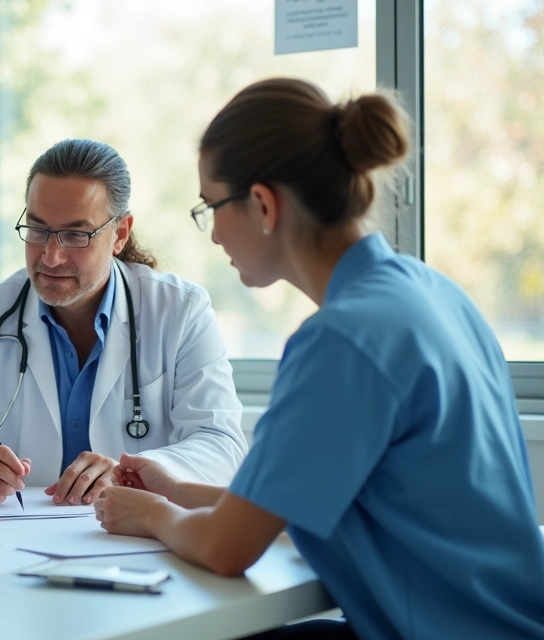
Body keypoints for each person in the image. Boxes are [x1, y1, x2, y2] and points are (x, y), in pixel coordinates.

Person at [94, 78, 544, 639]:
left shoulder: (340, 341)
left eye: (210, 207)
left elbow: (226, 548)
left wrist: (150, 516)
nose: (212, 237)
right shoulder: (430, 293)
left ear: (262, 204)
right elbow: (275, 509)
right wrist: (174, 490)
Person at [0, 138, 246, 507]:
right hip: (12, 540)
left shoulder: (180, 310)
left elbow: (222, 445)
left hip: (133, 540)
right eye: (38, 229)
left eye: (76, 234)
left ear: (120, 234)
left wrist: (132, 472)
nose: (52, 256)